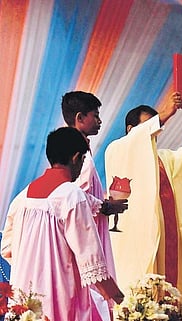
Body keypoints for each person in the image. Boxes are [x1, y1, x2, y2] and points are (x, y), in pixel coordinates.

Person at [1, 127, 124, 321]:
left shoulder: (21, 197)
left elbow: (7, 248)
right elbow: (91, 261)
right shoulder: (72, 196)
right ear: (76, 158)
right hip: (60, 295)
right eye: (83, 160)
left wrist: (33, 264)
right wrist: (121, 299)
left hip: (24, 295)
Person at [104, 93, 182, 308]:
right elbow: (134, 142)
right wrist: (165, 114)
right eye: (150, 127)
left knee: (171, 300)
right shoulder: (117, 151)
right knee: (141, 301)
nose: (154, 134)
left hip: (169, 238)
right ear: (130, 130)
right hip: (139, 239)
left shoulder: (166, 159)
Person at [61, 91, 127, 320]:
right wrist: (105, 207)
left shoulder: (81, 152)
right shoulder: (79, 158)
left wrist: (103, 204)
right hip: (84, 237)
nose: (100, 121)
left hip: (91, 229)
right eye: (95, 115)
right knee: (92, 296)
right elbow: (70, 196)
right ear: (80, 117)